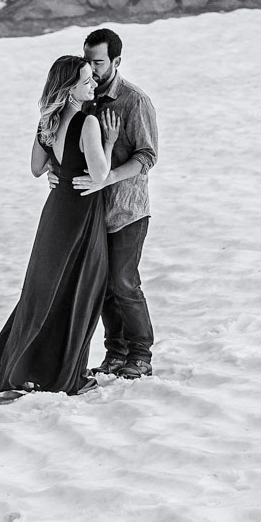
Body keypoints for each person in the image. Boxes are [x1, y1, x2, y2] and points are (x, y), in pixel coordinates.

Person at [0, 54, 113, 397]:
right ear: (70, 90)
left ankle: (24, 365)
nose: (93, 84)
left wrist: (58, 169)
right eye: (86, 82)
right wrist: (109, 143)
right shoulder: (89, 123)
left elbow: (37, 168)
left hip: (55, 214)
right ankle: (68, 375)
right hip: (82, 214)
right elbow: (99, 175)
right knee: (81, 289)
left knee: (45, 291)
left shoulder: (47, 122)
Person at [71, 27, 160, 379]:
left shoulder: (134, 100)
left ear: (116, 61)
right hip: (92, 213)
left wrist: (108, 177)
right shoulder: (82, 96)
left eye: (98, 62)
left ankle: (141, 355)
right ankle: (115, 353)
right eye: (87, 61)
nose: (91, 70)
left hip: (128, 209)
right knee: (103, 285)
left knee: (124, 283)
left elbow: (148, 155)